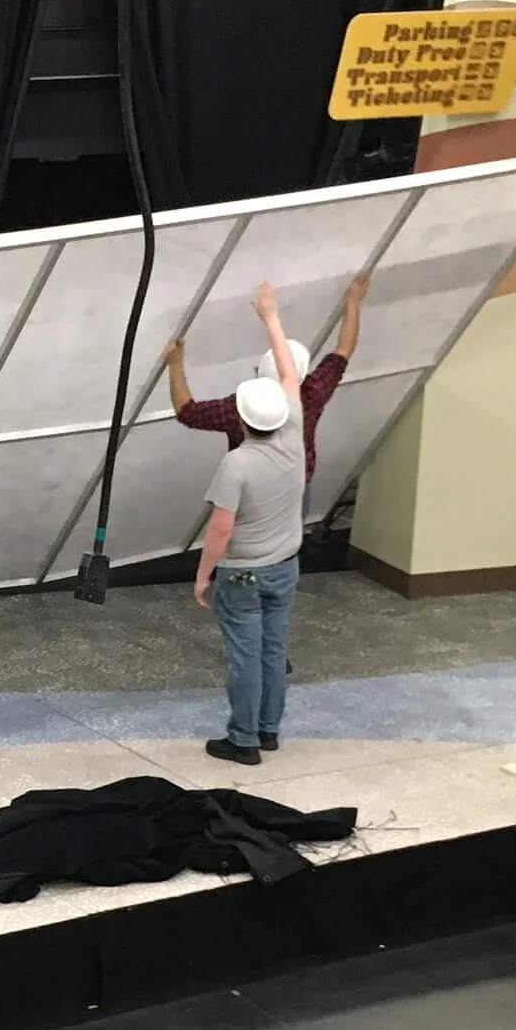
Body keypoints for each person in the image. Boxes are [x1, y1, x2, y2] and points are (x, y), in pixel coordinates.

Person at [194, 286, 305, 767]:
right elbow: (289, 373)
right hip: (285, 567)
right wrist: (272, 318)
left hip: (242, 574)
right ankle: (268, 730)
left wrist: (203, 577)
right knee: (273, 650)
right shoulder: (294, 434)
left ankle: (242, 740)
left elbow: (220, 529)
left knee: (245, 655)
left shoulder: (236, 464)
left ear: (239, 418)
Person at [164, 268, 366, 482]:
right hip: (295, 485)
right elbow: (344, 349)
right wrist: (353, 301)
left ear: (259, 372)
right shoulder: (311, 395)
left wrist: (175, 364)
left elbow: (188, 412)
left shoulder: (239, 411)